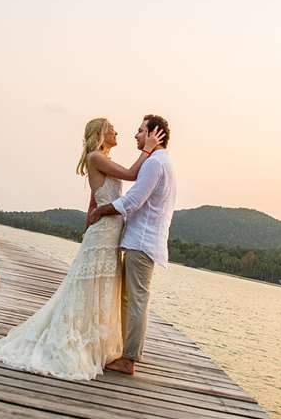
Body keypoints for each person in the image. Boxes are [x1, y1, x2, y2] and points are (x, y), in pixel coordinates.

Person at [0, 117, 164, 380]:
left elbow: (97, 193)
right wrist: (148, 148)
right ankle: (77, 340)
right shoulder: (96, 157)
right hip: (105, 231)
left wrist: (92, 210)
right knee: (88, 285)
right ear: (101, 133)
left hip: (110, 230)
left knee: (102, 285)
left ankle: (95, 341)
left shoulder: (101, 159)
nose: (117, 131)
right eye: (111, 128)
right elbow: (132, 174)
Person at [88, 114, 176, 376]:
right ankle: (128, 352)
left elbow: (133, 200)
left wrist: (101, 211)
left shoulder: (153, 163)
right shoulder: (162, 162)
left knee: (136, 300)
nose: (135, 135)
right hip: (142, 239)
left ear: (153, 134)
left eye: (140, 131)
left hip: (142, 241)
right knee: (131, 298)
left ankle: (129, 359)